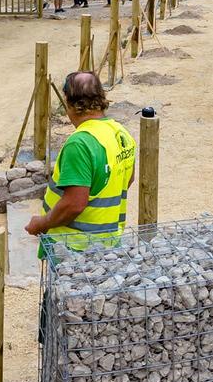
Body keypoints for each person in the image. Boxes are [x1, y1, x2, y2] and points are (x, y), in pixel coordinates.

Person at [25, 71, 136, 261]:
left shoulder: (80, 144)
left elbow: (74, 204)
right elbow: (128, 178)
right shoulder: (121, 133)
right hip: (108, 243)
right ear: (101, 99)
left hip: (74, 247)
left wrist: (42, 223)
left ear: (70, 104)